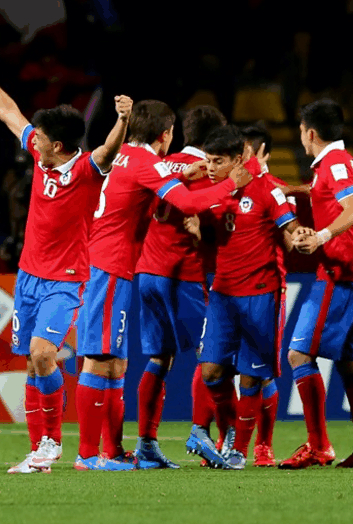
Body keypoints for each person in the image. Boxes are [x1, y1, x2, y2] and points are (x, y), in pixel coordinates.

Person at [0, 49, 132, 475]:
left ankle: (52, 443)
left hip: (67, 279)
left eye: (37, 137)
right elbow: (8, 112)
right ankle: (39, 451)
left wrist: (123, 120)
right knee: (30, 360)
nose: (30, 140)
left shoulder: (87, 170)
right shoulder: (41, 159)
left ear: (57, 145)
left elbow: (110, 149)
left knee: (43, 354)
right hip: (28, 278)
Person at [75, 101, 252, 471]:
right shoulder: (159, 165)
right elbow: (190, 205)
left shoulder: (124, 155)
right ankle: (96, 453)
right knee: (210, 354)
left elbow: (153, 184)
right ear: (165, 134)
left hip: (139, 271)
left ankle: (139, 446)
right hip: (166, 273)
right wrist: (232, 184)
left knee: (139, 359)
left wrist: (183, 174)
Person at [279, 99, 353, 469]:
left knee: (299, 355)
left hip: (339, 275)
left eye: (301, 132)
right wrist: (293, 190)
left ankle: (319, 445)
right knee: (351, 363)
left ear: (311, 133)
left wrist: (320, 236)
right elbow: (326, 192)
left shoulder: (333, 164)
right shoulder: (338, 162)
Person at [196, 125, 300, 470]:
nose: (211, 167)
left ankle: (241, 450)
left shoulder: (269, 189)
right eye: (208, 160)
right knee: (211, 371)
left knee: (253, 376)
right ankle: (229, 434)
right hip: (223, 294)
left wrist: (301, 234)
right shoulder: (212, 190)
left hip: (260, 294)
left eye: (218, 161)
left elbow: (290, 228)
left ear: (239, 159)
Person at [132, 105, 227, 469]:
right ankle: (200, 431)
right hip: (182, 275)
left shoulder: (159, 165)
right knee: (212, 354)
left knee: (160, 358)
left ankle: (146, 444)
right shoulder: (210, 173)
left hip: (147, 273)